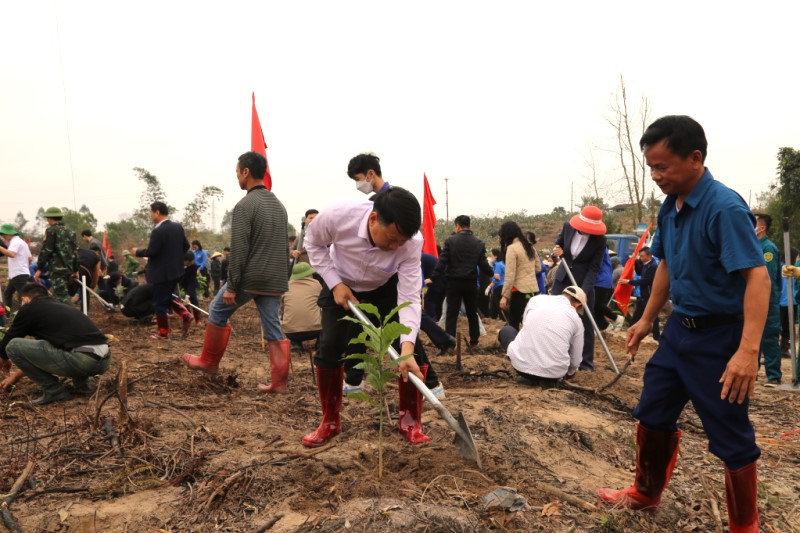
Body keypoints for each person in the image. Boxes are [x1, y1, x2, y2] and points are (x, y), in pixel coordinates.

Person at [598, 115, 768, 533]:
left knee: (729, 433)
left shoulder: (724, 208)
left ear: (694, 158)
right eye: (651, 168)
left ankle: (744, 525)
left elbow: (758, 278)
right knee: (653, 411)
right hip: (679, 331)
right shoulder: (669, 206)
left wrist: (747, 352)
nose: (656, 176)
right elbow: (666, 266)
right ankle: (645, 493)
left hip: (720, 337)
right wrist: (645, 320)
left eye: (662, 167)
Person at [303, 186, 439, 447]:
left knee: (412, 351)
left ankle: (410, 421)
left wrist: (407, 349)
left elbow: (409, 296)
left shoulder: (412, 243)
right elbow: (313, 243)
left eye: (401, 242)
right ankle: (329, 420)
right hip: (341, 282)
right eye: (391, 239)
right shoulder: (338, 216)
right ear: (374, 219)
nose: (395, 247)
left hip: (384, 286)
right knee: (329, 346)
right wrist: (334, 283)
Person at [182, 151, 290, 396]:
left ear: (246, 172)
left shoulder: (244, 206)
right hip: (275, 278)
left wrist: (231, 286)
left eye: (237, 173)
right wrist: (282, 277)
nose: (237, 177)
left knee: (217, 309)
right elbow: (283, 246)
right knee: (272, 328)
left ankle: (208, 362)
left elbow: (239, 250)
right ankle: (279, 383)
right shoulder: (279, 206)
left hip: (251, 277)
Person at [0, 283, 111, 404]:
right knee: (69, 345)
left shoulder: (30, 308)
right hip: (103, 360)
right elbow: (42, 356)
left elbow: (6, 344)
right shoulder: (61, 307)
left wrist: (4, 361)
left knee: (13, 345)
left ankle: (54, 390)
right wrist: (16, 376)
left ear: (24, 299)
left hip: (82, 360)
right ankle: (84, 385)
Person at [551, 205, 607, 371]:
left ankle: (586, 362)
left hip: (583, 282)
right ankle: (556, 355)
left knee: (585, 322)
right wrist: (557, 249)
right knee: (555, 316)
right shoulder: (568, 227)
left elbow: (594, 268)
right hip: (563, 279)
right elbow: (558, 244)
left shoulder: (600, 240)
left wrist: (583, 291)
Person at [498, 286, 585, 387]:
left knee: (507, 330)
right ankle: (545, 378)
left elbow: (525, 327)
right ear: (578, 304)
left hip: (521, 368)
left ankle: (526, 374)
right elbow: (575, 360)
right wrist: (569, 374)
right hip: (554, 375)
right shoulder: (576, 320)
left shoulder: (536, 300)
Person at [131, 201, 191, 340]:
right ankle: (185, 314)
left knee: (159, 303)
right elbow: (186, 246)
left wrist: (138, 252)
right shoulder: (177, 227)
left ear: (157, 212)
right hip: (176, 271)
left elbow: (152, 251)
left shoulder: (158, 231)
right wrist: (174, 258)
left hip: (161, 273)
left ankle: (163, 333)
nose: (150, 216)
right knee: (167, 296)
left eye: (151, 212)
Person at [431, 215, 493, 347]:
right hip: (470, 283)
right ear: (469, 226)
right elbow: (483, 264)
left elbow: (442, 262)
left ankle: (451, 342)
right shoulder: (478, 243)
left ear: (458, 226)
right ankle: (474, 341)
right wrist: (492, 273)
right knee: (472, 313)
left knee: (451, 313)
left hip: (453, 283)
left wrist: (433, 277)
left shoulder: (450, 241)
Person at [752, 214, 782, 387]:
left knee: (769, 337)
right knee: (751, 335)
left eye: (754, 222)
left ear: (762, 228)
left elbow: (767, 278)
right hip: (752, 298)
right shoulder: (753, 245)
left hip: (767, 299)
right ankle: (752, 371)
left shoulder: (768, 248)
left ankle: (773, 375)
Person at [498, 221, 541, 330]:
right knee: (530, 322)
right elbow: (538, 268)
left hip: (519, 292)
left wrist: (505, 296)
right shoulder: (529, 246)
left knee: (514, 322)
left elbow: (510, 275)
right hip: (533, 290)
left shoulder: (512, 248)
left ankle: (515, 341)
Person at [34, 207, 79, 304]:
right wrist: (76, 270)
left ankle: (71, 313)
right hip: (69, 270)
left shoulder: (51, 231)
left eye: (47, 219)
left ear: (50, 219)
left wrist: (39, 268)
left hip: (57, 270)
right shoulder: (71, 232)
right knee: (59, 295)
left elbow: (47, 250)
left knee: (61, 297)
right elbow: (75, 252)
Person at [620, 247, 660, 339]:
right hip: (643, 295)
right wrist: (634, 261)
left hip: (649, 295)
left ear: (649, 256)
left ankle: (657, 336)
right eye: (640, 256)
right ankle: (631, 331)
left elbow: (645, 281)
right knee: (637, 315)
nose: (641, 258)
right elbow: (639, 272)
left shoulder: (653, 266)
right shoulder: (646, 264)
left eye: (642, 256)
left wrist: (629, 282)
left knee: (652, 316)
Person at [282, 262, 322, 351]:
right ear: (308, 274)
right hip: (315, 331)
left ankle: (296, 344)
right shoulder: (316, 284)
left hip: (291, 332)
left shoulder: (287, 286)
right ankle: (320, 343)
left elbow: (282, 307)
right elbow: (323, 302)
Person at [0, 223, 32, 311]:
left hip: (18, 274)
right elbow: (30, 259)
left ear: (8, 233)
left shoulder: (15, 242)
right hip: (18, 274)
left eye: (3, 234)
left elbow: (11, 254)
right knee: (7, 294)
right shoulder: (22, 242)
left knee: (23, 296)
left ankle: (27, 314)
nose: (3, 236)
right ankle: (7, 313)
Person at [593, 248, 621, 331]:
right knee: (595, 306)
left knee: (595, 304)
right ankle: (605, 326)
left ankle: (615, 318)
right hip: (601, 280)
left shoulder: (599, 247)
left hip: (601, 281)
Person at [180, 251, 202, 324]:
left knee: (194, 300)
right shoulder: (178, 264)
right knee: (183, 303)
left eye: (191, 262)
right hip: (179, 283)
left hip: (190, 284)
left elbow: (191, 281)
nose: (190, 264)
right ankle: (188, 317)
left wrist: (187, 296)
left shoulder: (193, 266)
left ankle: (198, 320)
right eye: (188, 262)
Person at [486, 248, 505, 319]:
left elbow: (497, 278)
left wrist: (489, 287)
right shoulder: (500, 264)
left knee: (499, 307)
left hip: (499, 287)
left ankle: (504, 320)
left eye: (491, 255)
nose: (490, 257)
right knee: (493, 308)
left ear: (495, 256)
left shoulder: (498, 265)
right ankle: (493, 319)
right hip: (499, 287)